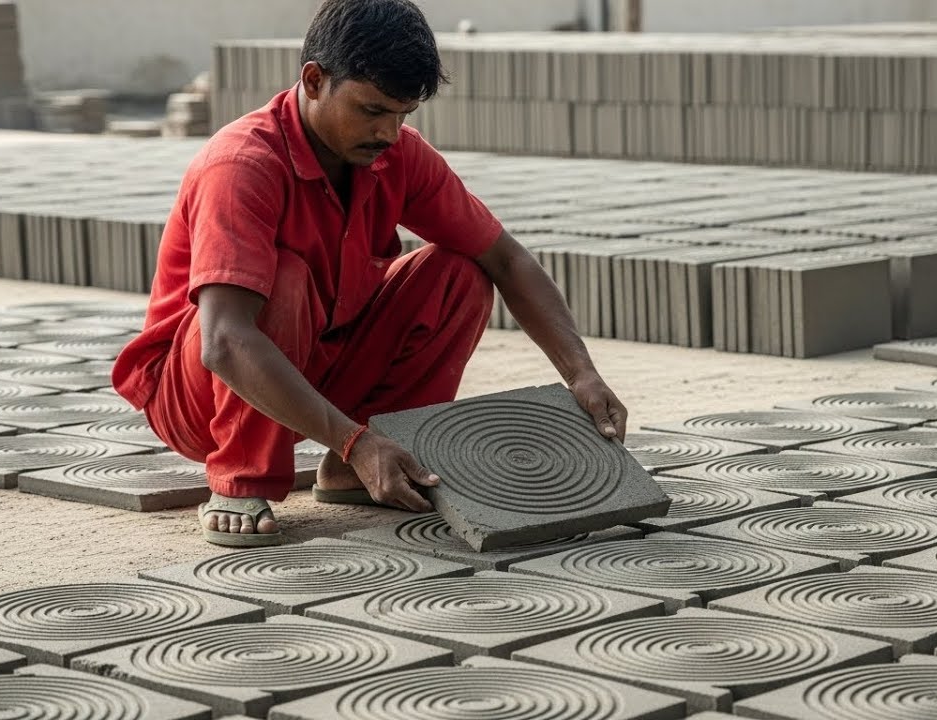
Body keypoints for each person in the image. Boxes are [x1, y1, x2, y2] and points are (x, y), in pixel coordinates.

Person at [110, 0, 627, 547]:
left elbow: (506, 258)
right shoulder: (243, 164)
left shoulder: (395, 154)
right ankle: (243, 475)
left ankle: (355, 462)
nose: (388, 131)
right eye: (372, 109)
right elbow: (224, 342)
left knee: (458, 273)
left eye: (403, 114)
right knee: (282, 279)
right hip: (203, 395)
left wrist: (581, 373)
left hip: (320, 364)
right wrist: (358, 440)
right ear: (313, 80)